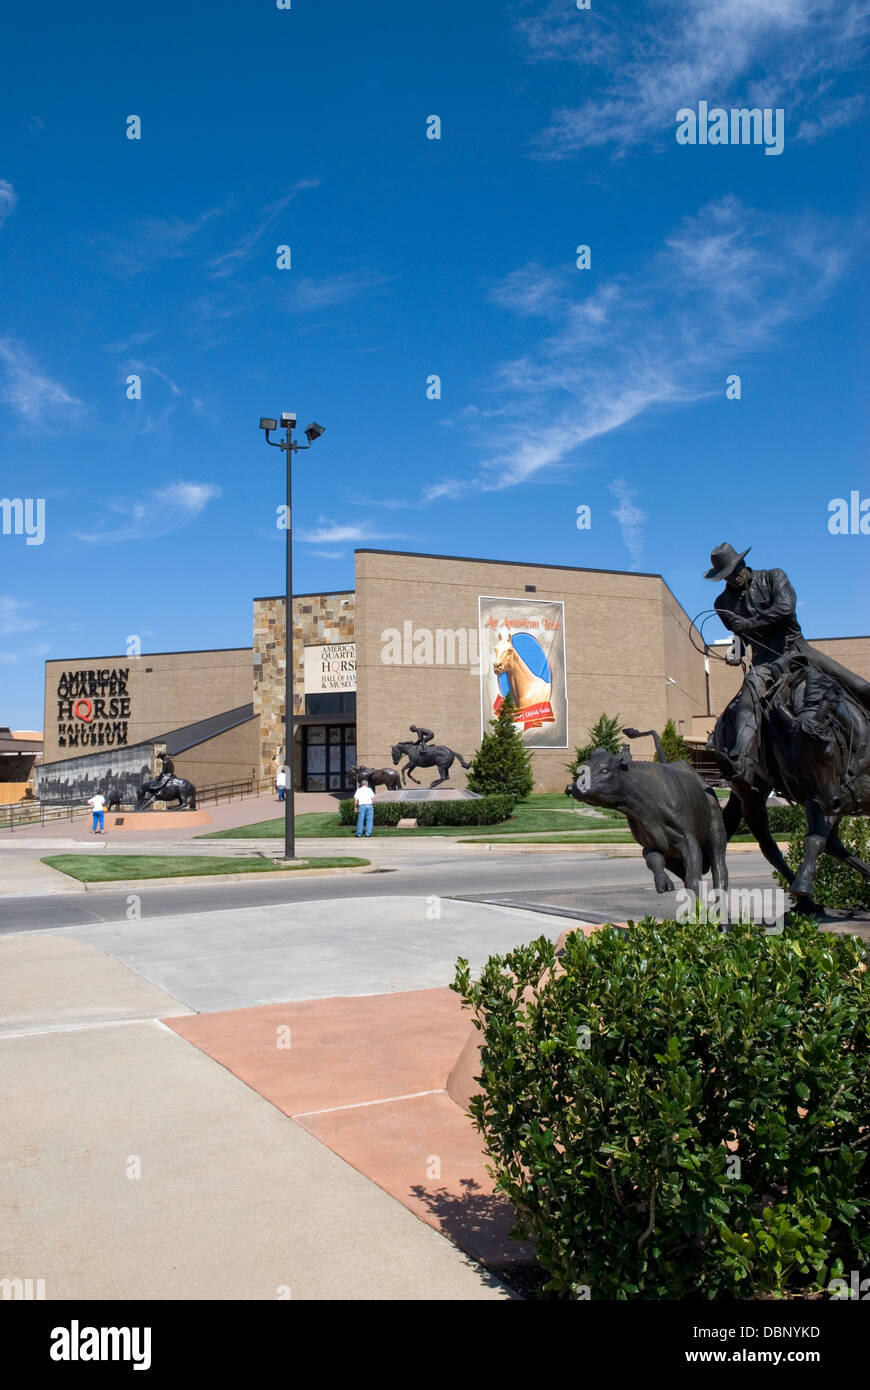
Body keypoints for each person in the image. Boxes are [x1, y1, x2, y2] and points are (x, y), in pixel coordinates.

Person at [706, 542, 870, 779]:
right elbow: (741, 637)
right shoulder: (722, 604)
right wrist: (736, 652)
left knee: (859, 685)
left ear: (742, 563)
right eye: (726, 576)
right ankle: (739, 756)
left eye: (734, 572)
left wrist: (749, 624)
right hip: (763, 662)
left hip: (798, 650)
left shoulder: (773, 577)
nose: (733, 579)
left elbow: (785, 609)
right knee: (748, 700)